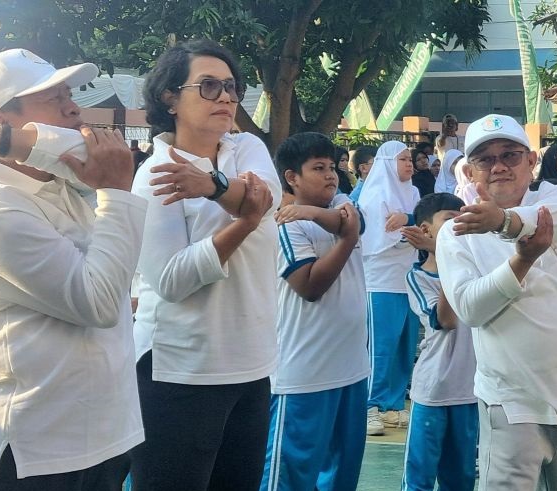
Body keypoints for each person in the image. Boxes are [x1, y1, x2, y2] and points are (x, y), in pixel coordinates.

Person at [0, 48, 144, 490]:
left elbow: (85, 147)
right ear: (1, 121)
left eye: (69, 94)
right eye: (52, 98)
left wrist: (6, 143)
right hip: (28, 452)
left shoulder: (61, 183)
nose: (74, 107)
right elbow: (98, 303)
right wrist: (116, 192)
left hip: (96, 440)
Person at [129, 39, 280, 490]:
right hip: (182, 370)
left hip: (252, 365)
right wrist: (242, 222)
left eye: (232, 87)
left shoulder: (246, 147)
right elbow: (171, 280)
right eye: (209, 86)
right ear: (169, 98)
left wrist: (210, 185)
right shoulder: (156, 173)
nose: (227, 98)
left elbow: (266, 202)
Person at [435, 114, 557, 491]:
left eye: (510, 155)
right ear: (469, 171)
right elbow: (469, 309)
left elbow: (543, 221)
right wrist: (522, 259)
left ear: (531, 162)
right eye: (485, 159)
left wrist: (502, 222)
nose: (499, 166)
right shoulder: (454, 232)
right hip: (513, 405)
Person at [260, 132, 369, 491]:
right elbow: (309, 286)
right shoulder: (285, 224)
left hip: (351, 368)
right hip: (305, 372)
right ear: (292, 177)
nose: (330, 175)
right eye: (318, 168)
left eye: (332, 166)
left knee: (342, 475)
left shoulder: (337, 203)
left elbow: (353, 221)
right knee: (289, 477)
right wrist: (347, 239)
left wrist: (315, 213)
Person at [400, 193, 478, 491]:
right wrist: (447, 256)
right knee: (419, 478)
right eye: (449, 218)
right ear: (425, 230)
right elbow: (446, 320)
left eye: (462, 218)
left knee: (460, 480)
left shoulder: (475, 268)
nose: (458, 224)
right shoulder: (417, 277)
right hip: (433, 391)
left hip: (468, 392)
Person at [357, 141, 420, 436]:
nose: (409, 163)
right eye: (403, 159)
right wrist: (410, 229)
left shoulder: (414, 194)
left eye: (410, 159)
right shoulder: (374, 195)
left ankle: (393, 405)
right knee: (380, 347)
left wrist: (407, 222)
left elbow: (420, 226)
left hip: (407, 280)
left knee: (404, 345)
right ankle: (369, 406)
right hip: (381, 280)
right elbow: (378, 239)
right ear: (387, 163)